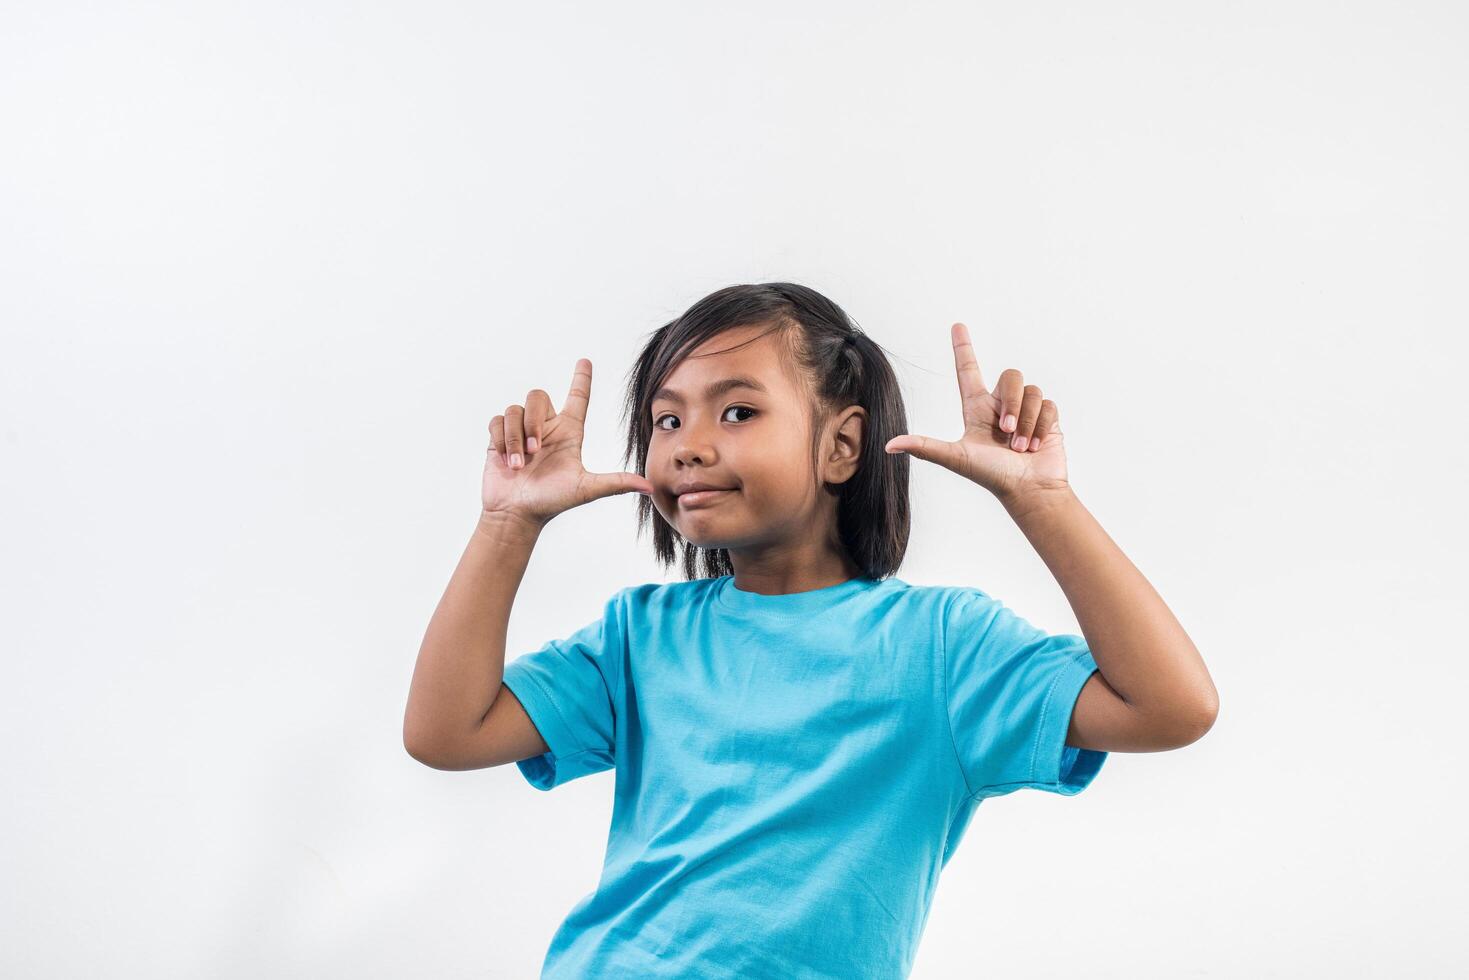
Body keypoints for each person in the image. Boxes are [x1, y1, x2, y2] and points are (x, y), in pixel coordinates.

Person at [403, 282, 1219, 978]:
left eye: (736, 410)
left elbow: (1170, 707)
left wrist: (1043, 502)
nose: (688, 447)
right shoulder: (637, 639)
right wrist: (506, 525)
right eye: (664, 421)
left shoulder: (944, 648)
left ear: (841, 446)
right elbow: (446, 733)